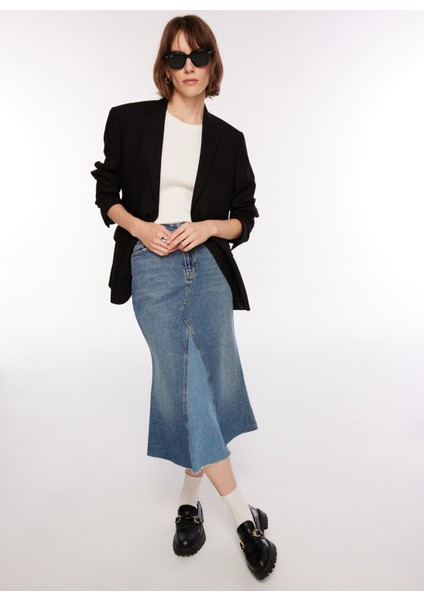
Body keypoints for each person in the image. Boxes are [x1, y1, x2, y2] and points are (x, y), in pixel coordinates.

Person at [91, 14, 277, 580]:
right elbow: (106, 192)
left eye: (199, 55)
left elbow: (245, 217)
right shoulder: (129, 120)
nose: (189, 66)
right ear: (164, 67)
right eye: (177, 57)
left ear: (212, 63)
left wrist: (209, 226)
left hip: (209, 266)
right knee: (184, 378)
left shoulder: (229, 140)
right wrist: (141, 228)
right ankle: (244, 519)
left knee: (208, 380)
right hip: (151, 263)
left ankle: (188, 502)